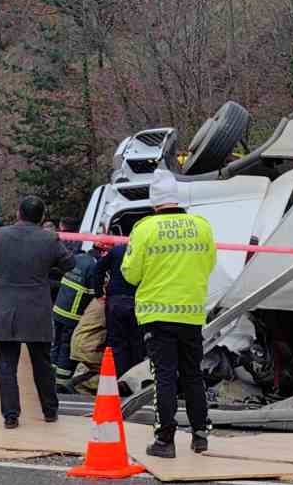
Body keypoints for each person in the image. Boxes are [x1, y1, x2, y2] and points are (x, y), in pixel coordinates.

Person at [121, 169, 216, 458]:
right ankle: (200, 435)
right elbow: (209, 263)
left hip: (157, 315)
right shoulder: (201, 226)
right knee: (192, 375)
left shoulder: (145, 228)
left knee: (164, 376)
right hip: (190, 313)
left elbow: (130, 273)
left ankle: (165, 440)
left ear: (154, 202)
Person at [0, 195, 74, 429]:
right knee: (42, 364)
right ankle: (50, 411)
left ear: (18, 213)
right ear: (42, 217)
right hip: (37, 310)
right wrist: (47, 269)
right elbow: (70, 264)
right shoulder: (49, 238)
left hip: (6, 310)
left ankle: (11, 416)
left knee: (6, 366)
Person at [88, 223, 144, 373]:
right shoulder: (147, 252)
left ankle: (119, 379)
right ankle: (134, 380)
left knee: (117, 342)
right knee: (137, 343)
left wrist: (99, 294)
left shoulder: (117, 251)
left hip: (116, 303)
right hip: (138, 303)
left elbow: (98, 270)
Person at [51, 240, 104, 390]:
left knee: (57, 344)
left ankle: (50, 376)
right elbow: (94, 294)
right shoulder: (94, 266)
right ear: (103, 252)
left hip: (58, 309)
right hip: (72, 314)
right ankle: (61, 383)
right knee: (66, 348)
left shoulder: (78, 258)